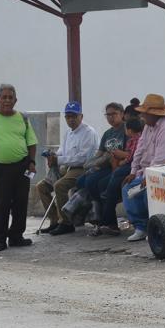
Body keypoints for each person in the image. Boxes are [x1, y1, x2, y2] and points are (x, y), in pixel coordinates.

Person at [0, 84, 38, 252]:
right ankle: (0, 239)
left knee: (20, 203)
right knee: (1, 204)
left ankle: (16, 236)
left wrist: (32, 162)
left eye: (10, 97)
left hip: (21, 167)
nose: (7, 100)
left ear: (15, 100)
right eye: (4, 97)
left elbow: (31, 143)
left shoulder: (23, 118)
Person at [36, 101, 100, 236]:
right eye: (68, 117)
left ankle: (66, 223)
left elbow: (82, 158)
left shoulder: (88, 133)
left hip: (83, 168)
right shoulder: (68, 133)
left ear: (81, 116)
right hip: (68, 166)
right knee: (41, 186)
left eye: (74, 116)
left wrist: (59, 160)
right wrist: (53, 156)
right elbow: (62, 151)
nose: (71, 119)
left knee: (60, 185)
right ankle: (54, 220)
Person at [121, 94, 165, 242]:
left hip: (161, 171)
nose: (142, 116)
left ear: (153, 114)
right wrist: (133, 171)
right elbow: (140, 148)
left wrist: (147, 177)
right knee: (127, 189)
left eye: (145, 113)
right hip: (145, 170)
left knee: (147, 193)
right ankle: (141, 227)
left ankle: (154, 227)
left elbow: (161, 157)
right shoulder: (148, 126)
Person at [95, 118, 144, 236]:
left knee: (115, 180)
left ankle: (107, 222)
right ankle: (104, 221)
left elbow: (132, 157)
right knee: (100, 183)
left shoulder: (138, 140)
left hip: (135, 167)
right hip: (129, 165)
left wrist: (121, 161)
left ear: (130, 130)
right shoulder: (131, 139)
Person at [76, 103, 127, 211]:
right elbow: (99, 153)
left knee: (93, 182)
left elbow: (130, 152)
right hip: (105, 165)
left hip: (119, 165)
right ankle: (96, 208)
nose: (110, 117)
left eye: (114, 114)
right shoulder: (107, 133)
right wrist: (91, 163)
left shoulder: (126, 129)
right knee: (80, 181)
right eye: (108, 115)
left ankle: (101, 211)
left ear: (122, 114)